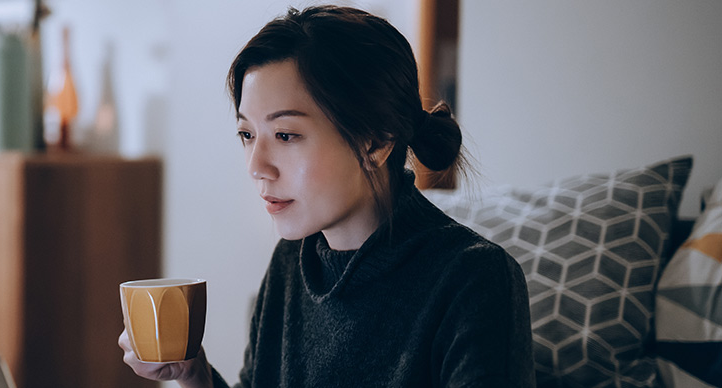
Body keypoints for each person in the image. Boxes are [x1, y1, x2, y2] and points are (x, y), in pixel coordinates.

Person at [118, 5, 534, 388]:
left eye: (286, 135)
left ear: (376, 141)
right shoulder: (291, 262)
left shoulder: (474, 278)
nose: (256, 165)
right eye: (247, 134)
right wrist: (194, 374)